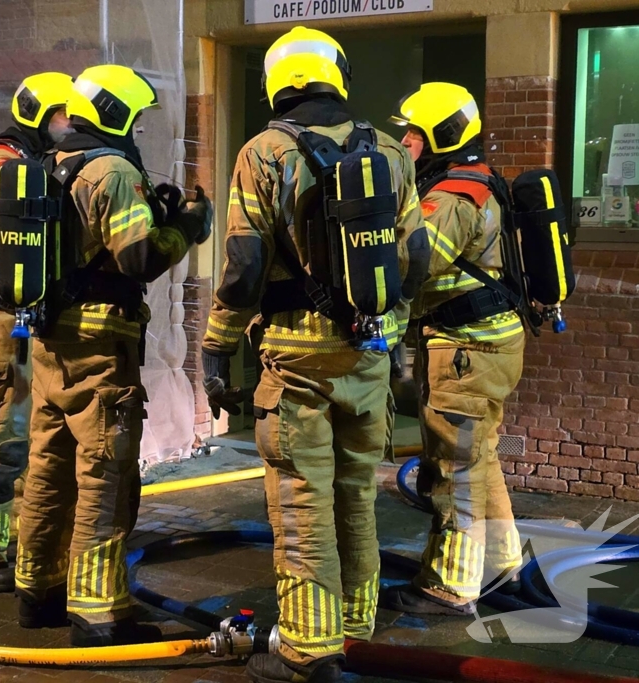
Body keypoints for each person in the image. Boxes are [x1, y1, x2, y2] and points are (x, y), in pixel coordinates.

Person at [201, 26, 428, 683]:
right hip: (368, 354)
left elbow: (244, 267)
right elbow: (415, 257)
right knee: (356, 495)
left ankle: (306, 647)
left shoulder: (263, 152)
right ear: (338, 74)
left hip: (296, 354)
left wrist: (218, 349)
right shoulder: (390, 151)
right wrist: (387, 325)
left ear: (279, 81)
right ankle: (356, 626)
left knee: (304, 503)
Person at [13, 64, 213, 646]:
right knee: (106, 474)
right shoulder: (112, 171)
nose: (138, 130)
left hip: (51, 343)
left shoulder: (50, 166)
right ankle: (99, 613)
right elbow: (139, 258)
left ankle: (37, 590)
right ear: (116, 113)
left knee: (47, 468)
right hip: (102, 348)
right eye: (136, 118)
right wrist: (188, 228)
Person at [385, 82, 525, 616]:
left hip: (465, 352)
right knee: (480, 455)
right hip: (489, 346)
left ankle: (450, 585)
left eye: (414, 133)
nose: (406, 142)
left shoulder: (450, 197)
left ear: (441, 135)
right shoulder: (482, 183)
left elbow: (412, 265)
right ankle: (503, 562)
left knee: (453, 467)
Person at [0, 72, 76, 593]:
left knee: (24, 436)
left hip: (17, 316)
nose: (70, 124)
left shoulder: (27, 162)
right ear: (41, 115)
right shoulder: (3, 165)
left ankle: (17, 542)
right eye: (63, 115)